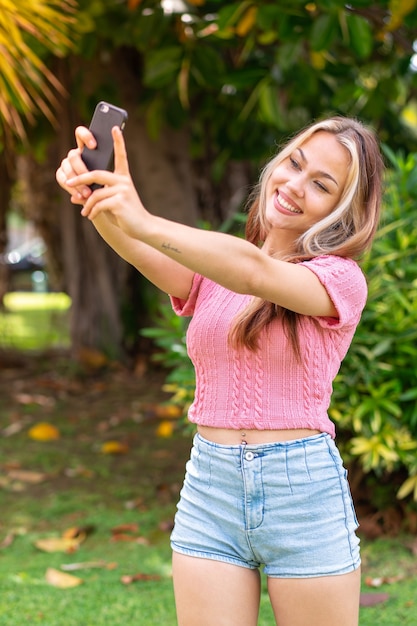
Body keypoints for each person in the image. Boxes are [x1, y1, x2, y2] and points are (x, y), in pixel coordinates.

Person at [56, 115, 383, 626]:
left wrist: (139, 216)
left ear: (343, 211)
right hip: (211, 486)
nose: (295, 185)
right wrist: (98, 198)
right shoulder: (215, 271)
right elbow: (142, 248)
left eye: (321, 185)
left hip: (302, 495)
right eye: (294, 164)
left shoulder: (339, 280)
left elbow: (253, 271)